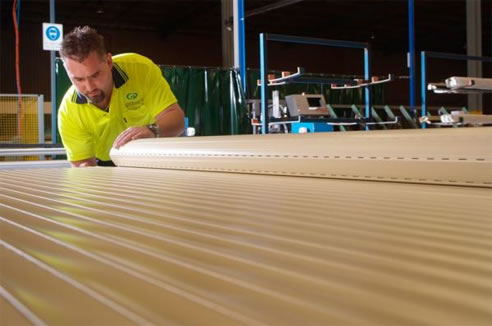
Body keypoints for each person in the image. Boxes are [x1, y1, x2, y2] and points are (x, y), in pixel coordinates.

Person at [57, 26, 185, 167]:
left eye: (95, 75)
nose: (89, 87)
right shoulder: (69, 111)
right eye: (79, 80)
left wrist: (151, 130)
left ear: (109, 62)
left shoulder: (141, 70)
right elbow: (82, 161)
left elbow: (177, 121)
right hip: (105, 164)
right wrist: (86, 170)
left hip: (151, 154)